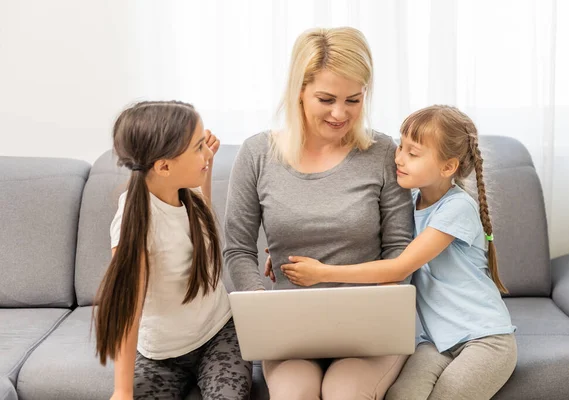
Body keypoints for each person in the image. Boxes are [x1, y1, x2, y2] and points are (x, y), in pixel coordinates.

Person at [223, 27, 414, 400]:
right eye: (326, 98)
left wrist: (380, 309)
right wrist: (263, 306)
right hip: (289, 330)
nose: (340, 113)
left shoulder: (382, 152)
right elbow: (238, 249)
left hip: (371, 330)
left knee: (345, 392)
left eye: (354, 99)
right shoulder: (257, 154)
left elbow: (399, 250)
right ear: (298, 91)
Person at [281, 105, 518, 400]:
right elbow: (356, 238)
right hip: (435, 341)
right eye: (400, 146)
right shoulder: (412, 202)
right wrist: (284, 251)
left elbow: (398, 267)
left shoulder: (457, 208)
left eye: (413, 153)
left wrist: (322, 272)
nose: (399, 158)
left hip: (485, 339)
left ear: (448, 167)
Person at [94, 101, 252, 400]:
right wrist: (122, 390)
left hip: (219, 332)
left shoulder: (184, 190)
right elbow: (127, 311)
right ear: (164, 166)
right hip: (160, 354)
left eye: (204, 143)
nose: (207, 152)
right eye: (198, 147)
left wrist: (206, 162)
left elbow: (200, 223)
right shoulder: (135, 224)